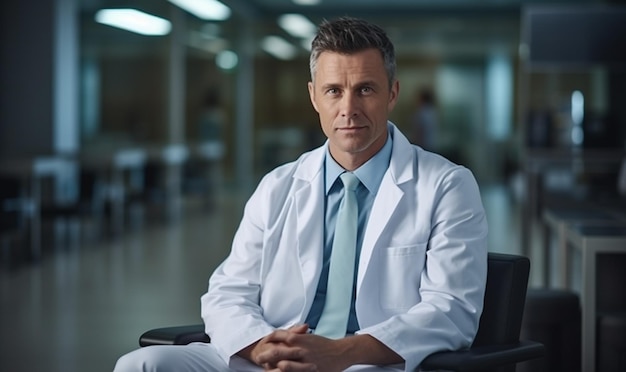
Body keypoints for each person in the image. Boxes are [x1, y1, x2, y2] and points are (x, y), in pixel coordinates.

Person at [114, 17, 488, 372]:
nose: (348, 109)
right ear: (314, 97)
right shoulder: (278, 186)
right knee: (142, 365)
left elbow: (450, 310)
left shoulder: (446, 186)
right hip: (274, 356)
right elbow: (227, 292)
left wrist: (339, 354)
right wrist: (261, 346)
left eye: (365, 89)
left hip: (370, 361)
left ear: (392, 93)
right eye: (333, 91)